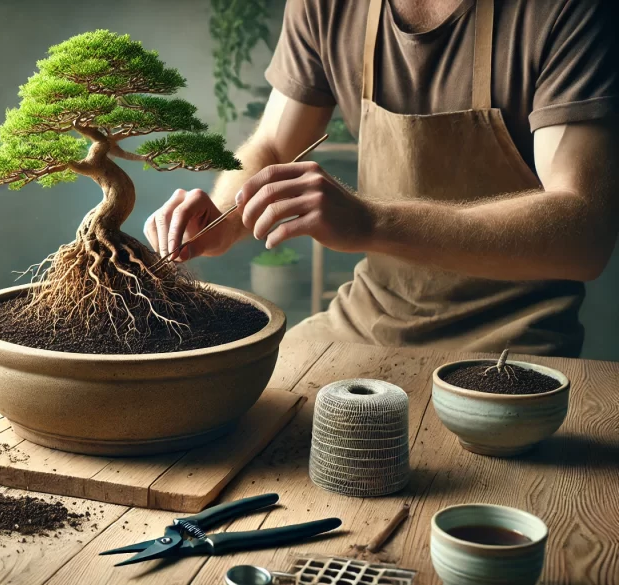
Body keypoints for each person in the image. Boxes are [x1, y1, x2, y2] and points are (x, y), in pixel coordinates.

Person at [146, 0, 619, 357]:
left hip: (513, 336)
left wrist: (372, 224)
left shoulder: (565, 10)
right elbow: (272, 145)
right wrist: (224, 216)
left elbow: (584, 230)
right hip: (368, 317)